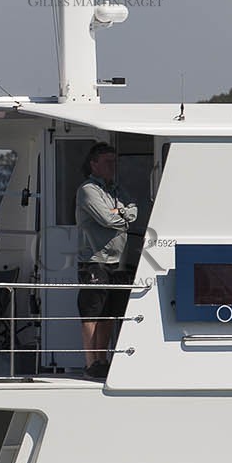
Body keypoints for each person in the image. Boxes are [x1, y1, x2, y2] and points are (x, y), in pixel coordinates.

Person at [75, 142, 137, 378]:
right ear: (94, 164)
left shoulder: (116, 189)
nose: (113, 166)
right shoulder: (88, 189)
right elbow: (106, 219)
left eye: (115, 162)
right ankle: (91, 362)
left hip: (118, 260)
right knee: (92, 312)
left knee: (110, 312)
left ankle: (103, 359)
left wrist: (120, 213)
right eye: (108, 162)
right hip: (94, 259)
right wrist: (122, 215)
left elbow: (134, 209)